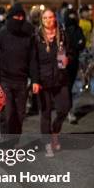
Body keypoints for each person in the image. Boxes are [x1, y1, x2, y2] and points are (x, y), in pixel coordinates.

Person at [30, 9, 73, 157]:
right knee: (46, 113)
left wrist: (69, 59)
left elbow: (72, 52)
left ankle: (55, 132)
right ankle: (48, 143)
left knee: (64, 108)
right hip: (43, 80)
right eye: (45, 18)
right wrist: (35, 81)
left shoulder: (62, 34)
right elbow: (33, 61)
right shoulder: (36, 37)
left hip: (61, 78)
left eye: (51, 17)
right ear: (42, 20)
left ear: (55, 18)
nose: (48, 20)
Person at [0, 3, 35, 138]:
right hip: (5, 81)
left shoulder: (28, 35)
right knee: (7, 114)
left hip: (22, 81)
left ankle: (14, 141)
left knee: (20, 114)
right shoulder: (0, 36)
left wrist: (34, 79)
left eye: (22, 16)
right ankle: (6, 143)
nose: (19, 19)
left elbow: (32, 59)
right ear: (10, 17)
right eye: (16, 16)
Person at [62, 8, 86, 125]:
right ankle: (67, 110)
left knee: (69, 87)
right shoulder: (62, 30)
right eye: (70, 15)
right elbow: (61, 46)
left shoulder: (78, 29)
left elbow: (82, 43)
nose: (72, 18)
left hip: (74, 61)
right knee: (65, 87)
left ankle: (68, 110)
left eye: (73, 15)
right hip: (64, 62)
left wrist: (75, 45)